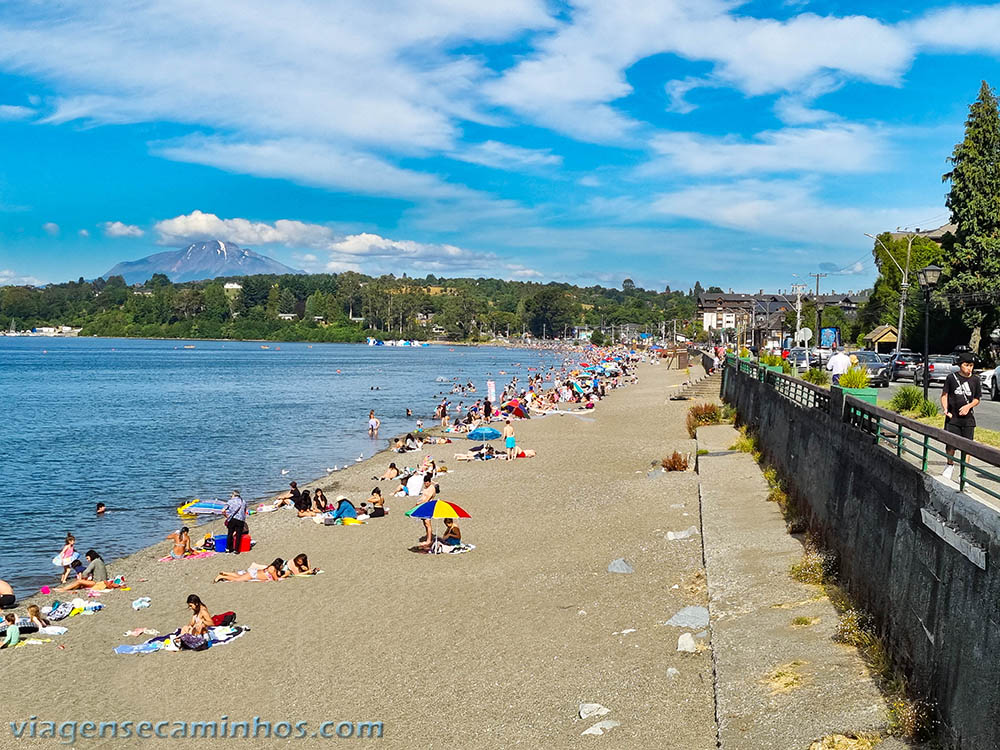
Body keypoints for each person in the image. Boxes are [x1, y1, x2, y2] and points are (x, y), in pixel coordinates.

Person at [941, 353, 982, 481]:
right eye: (966, 365)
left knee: (967, 447)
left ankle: (963, 473)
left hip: (968, 419)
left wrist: (968, 406)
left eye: (971, 365)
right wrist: (945, 409)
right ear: (960, 366)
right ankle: (949, 465)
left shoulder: (975, 380)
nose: (969, 368)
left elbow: (977, 399)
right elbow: (944, 395)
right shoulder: (951, 378)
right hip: (953, 417)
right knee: (950, 444)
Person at [213, 558, 284, 583]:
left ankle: (226, 573)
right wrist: (283, 575)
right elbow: (276, 579)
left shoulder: (271, 567)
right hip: (253, 575)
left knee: (239, 576)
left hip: (254, 573)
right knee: (237, 580)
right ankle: (221, 576)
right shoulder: (273, 569)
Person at [224, 490, 249, 555]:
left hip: (232, 519)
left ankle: (228, 549)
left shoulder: (230, 501)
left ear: (233, 495)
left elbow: (223, 510)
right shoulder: (243, 501)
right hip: (241, 520)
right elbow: (245, 510)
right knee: (238, 535)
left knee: (230, 534)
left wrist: (226, 516)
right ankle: (236, 550)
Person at [415, 474, 437, 548]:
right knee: (425, 523)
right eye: (425, 483)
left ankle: (429, 540)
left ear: (430, 482)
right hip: (423, 506)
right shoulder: (425, 487)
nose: (426, 484)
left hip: (428, 506)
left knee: (428, 523)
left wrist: (418, 503)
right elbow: (423, 497)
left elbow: (427, 499)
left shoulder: (432, 488)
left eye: (427, 483)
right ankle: (428, 536)